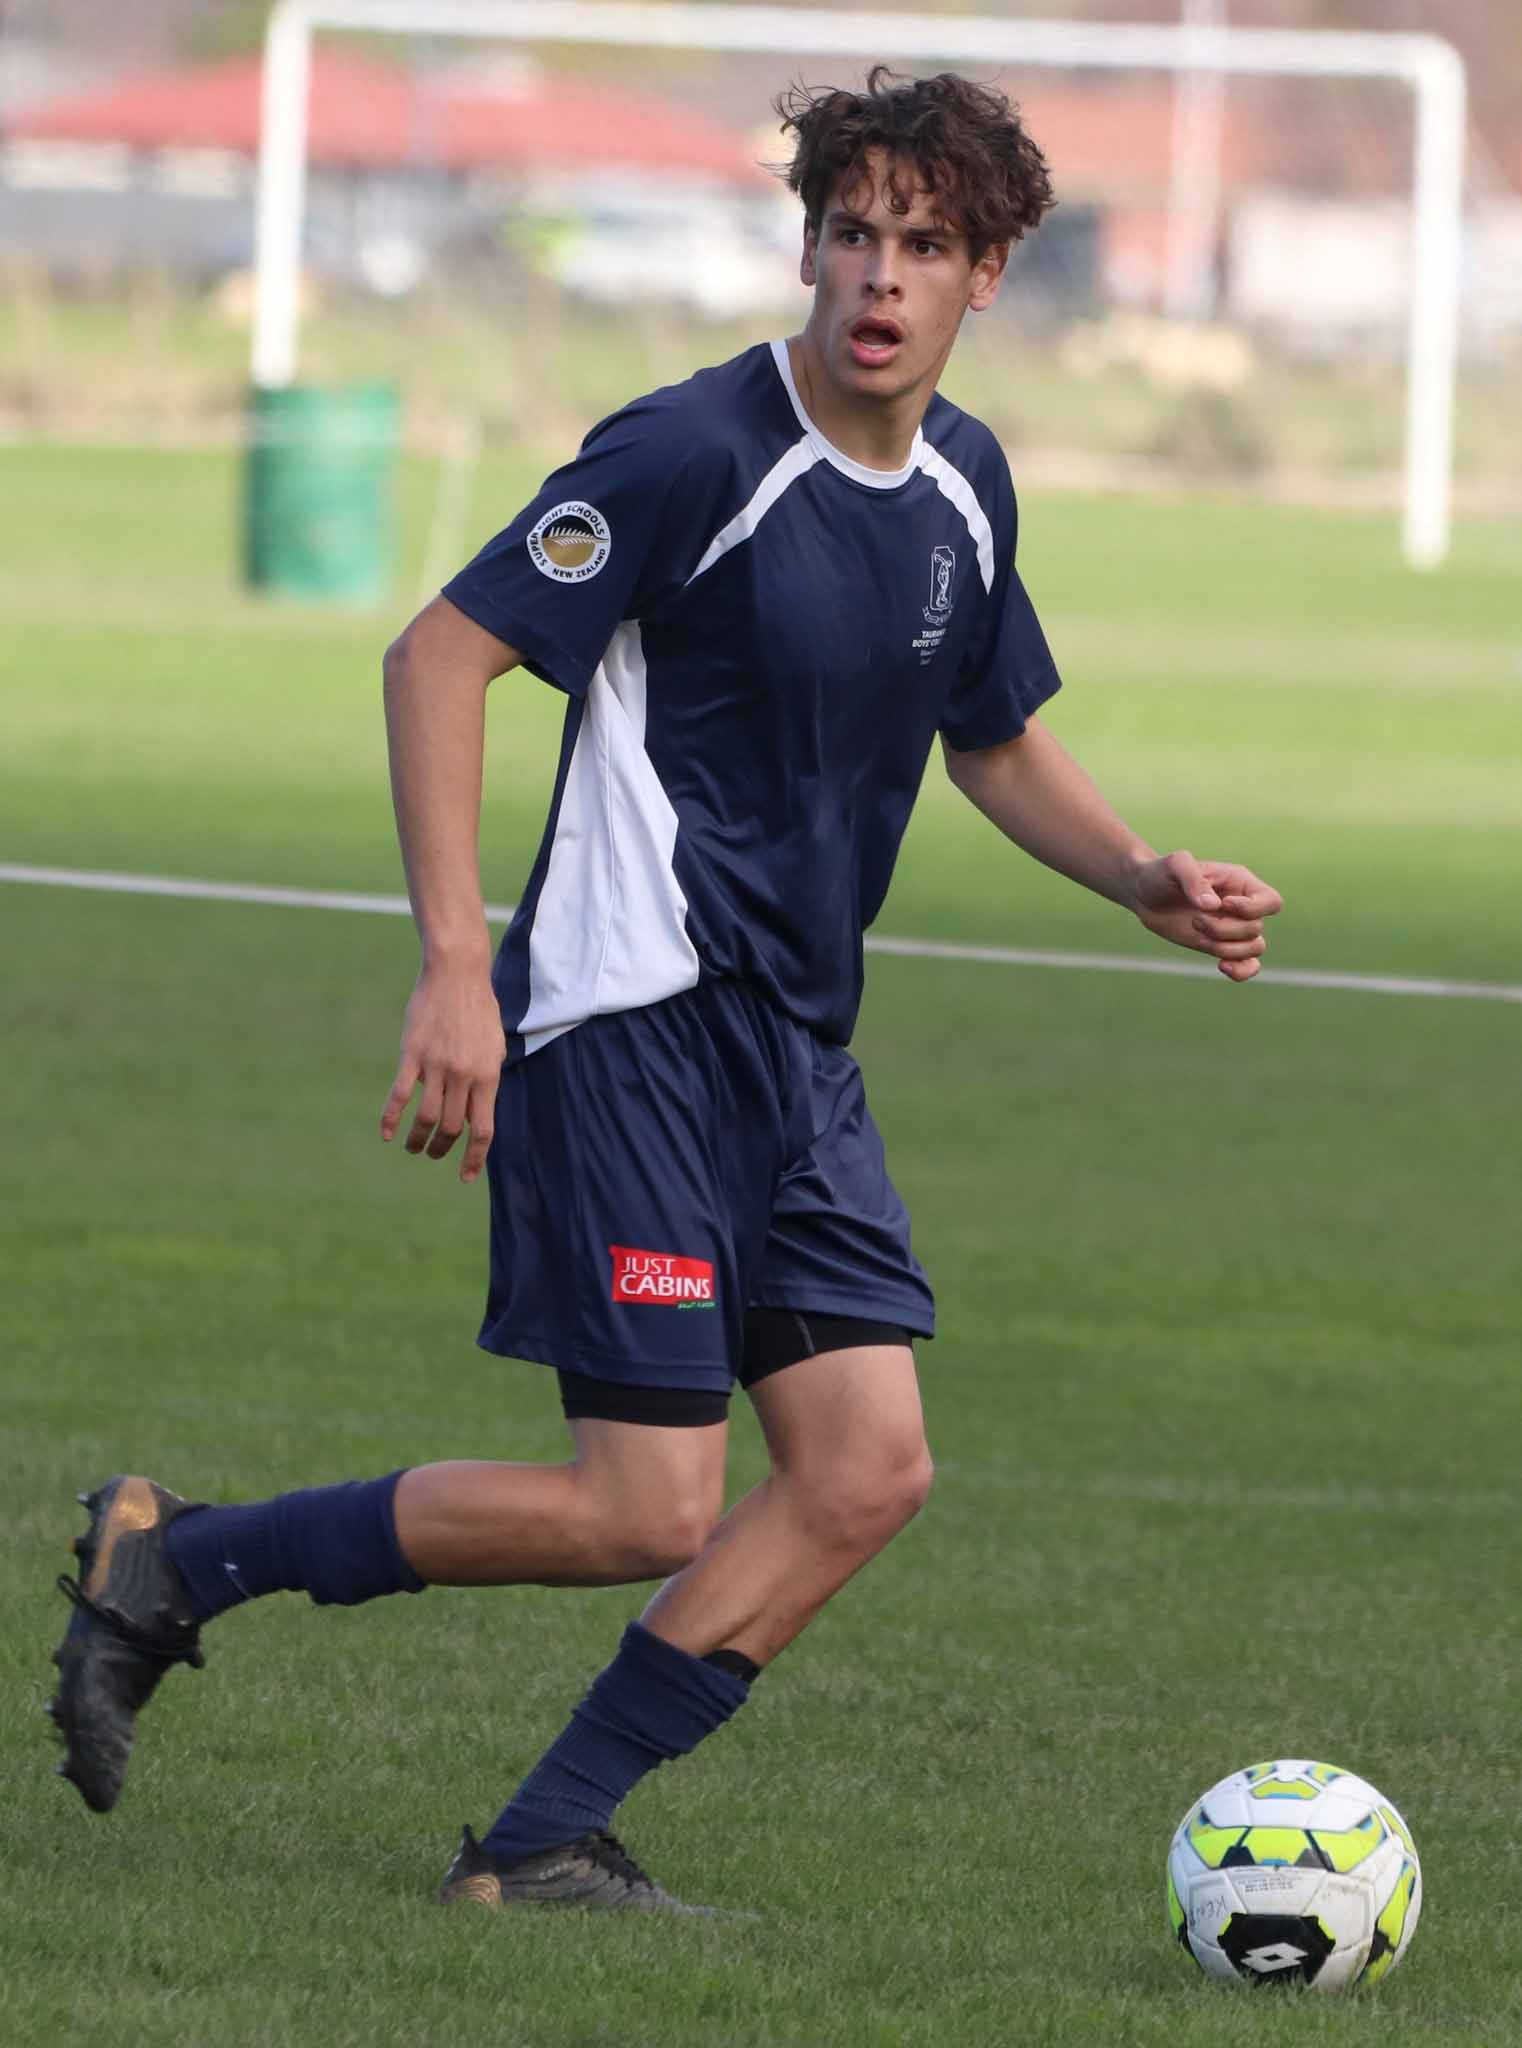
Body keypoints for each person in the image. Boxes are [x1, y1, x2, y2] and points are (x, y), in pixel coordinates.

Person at [48, 70, 1282, 1913]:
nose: (878, 276)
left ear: (987, 273)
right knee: (643, 1504)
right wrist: (456, 969)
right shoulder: (692, 449)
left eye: (922, 244)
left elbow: (989, 731)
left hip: (794, 1057)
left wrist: (1137, 876)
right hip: (630, 1025)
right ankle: (183, 1562)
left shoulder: (965, 483)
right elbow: (436, 658)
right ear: (808, 248)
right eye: (849, 233)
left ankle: (536, 1848)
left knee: (862, 1472)